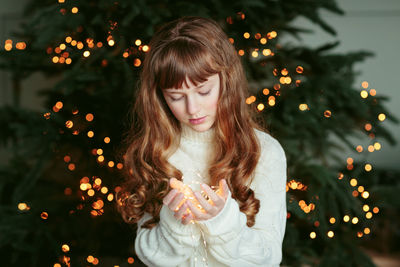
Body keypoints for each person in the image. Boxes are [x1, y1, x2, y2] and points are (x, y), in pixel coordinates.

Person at [117, 16, 287, 267]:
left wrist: (223, 221)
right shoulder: (153, 152)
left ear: (226, 80)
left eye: (204, 91)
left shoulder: (264, 152)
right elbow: (148, 253)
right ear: (160, 97)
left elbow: (269, 257)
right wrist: (175, 223)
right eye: (176, 96)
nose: (193, 108)